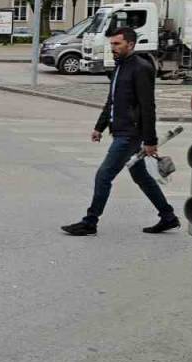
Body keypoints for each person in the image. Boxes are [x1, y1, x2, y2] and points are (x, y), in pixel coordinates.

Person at [61, 27, 179, 236]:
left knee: (104, 175)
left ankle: (90, 221)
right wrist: (100, 126)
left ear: (130, 45)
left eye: (117, 44)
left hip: (130, 134)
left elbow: (147, 106)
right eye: (112, 44)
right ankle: (168, 216)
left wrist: (150, 140)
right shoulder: (119, 66)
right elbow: (112, 101)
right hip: (121, 130)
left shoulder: (140, 68)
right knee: (141, 177)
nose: (112, 47)